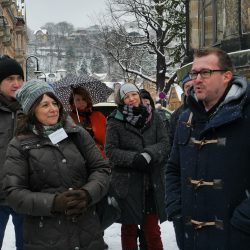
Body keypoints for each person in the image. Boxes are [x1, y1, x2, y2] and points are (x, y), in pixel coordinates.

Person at [3, 79, 110, 250]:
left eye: (55, 103)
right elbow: (14, 193)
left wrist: (87, 194)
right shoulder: (19, 145)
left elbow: (101, 169)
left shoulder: (77, 133)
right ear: (32, 110)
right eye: (44, 105)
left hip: (87, 234)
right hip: (46, 238)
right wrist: (53, 203)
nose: (53, 109)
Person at [165, 47, 250, 250]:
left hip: (238, 238)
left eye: (205, 72)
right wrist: (176, 210)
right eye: (194, 73)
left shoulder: (246, 114)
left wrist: (243, 222)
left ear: (226, 76)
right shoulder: (186, 117)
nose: (197, 79)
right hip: (191, 236)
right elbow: (173, 168)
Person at [105, 83, 169, 250]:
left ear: (139, 96)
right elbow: (110, 151)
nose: (131, 99)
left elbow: (164, 142)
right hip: (127, 186)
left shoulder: (154, 117)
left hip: (151, 185)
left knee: (152, 231)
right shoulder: (115, 120)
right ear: (122, 100)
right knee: (129, 229)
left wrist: (149, 154)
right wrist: (134, 159)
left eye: (134, 94)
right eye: (126, 96)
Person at [0, 55, 24, 250]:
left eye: (19, 78)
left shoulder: (34, 110)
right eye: (9, 79)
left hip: (25, 195)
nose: (16, 83)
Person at [69, 86, 107, 158]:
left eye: (84, 99)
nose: (81, 102)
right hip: (81, 157)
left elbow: (107, 138)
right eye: (77, 100)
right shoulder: (68, 119)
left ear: (87, 100)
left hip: (101, 156)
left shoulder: (98, 116)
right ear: (72, 102)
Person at [169, 73, 193, 146]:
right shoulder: (176, 115)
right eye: (187, 86)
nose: (191, 88)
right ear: (184, 91)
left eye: (193, 85)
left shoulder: (210, 108)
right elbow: (173, 141)